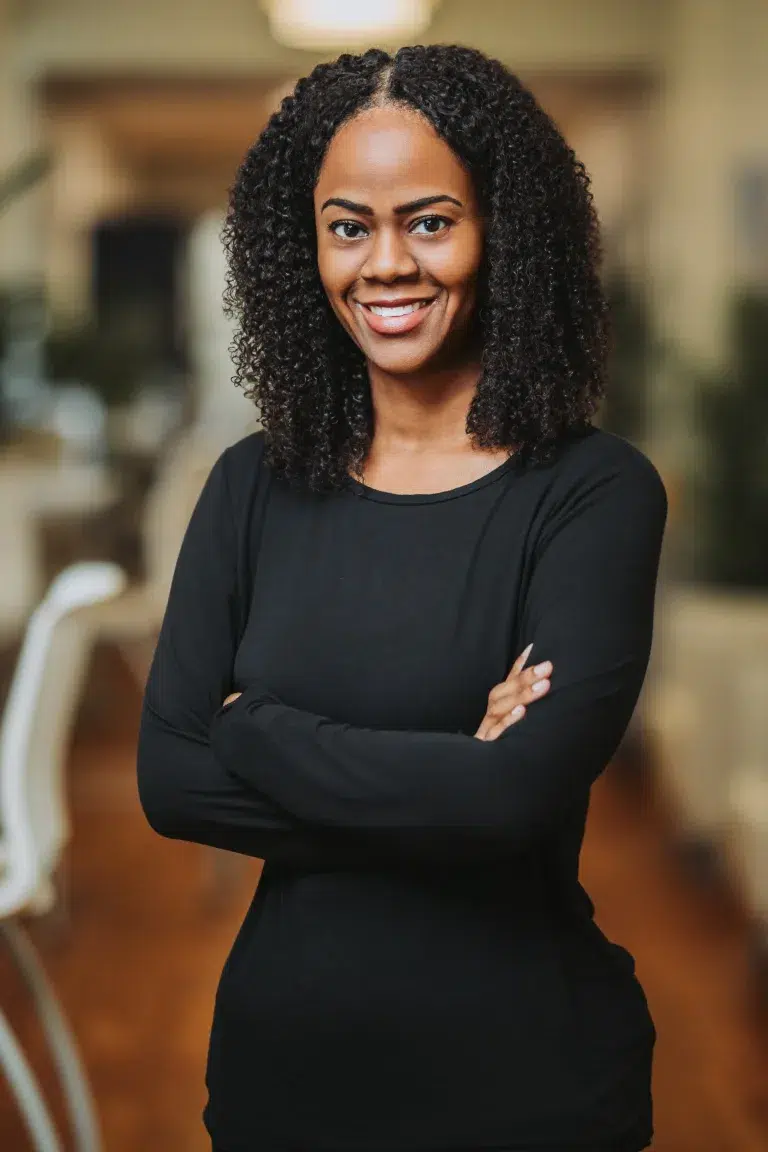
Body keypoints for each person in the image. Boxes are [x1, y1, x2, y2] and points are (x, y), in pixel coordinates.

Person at [136, 44, 667, 1152]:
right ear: (305, 249)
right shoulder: (252, 486)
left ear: (503, 236)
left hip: (529, 1081)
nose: (385, 264)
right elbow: (171, 783)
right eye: (347, 227)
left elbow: (513, 802)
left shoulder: (592, 494)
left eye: (429, 221)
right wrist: (457, 780)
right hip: (284, 1077)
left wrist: (261, 732)